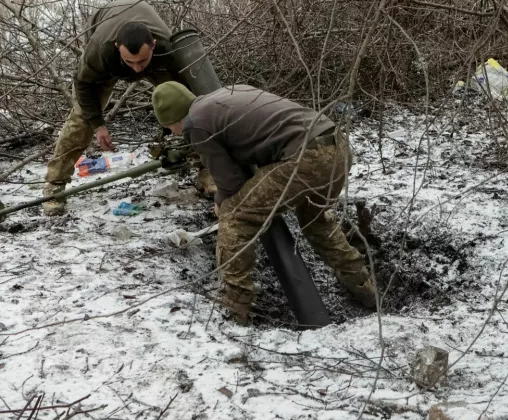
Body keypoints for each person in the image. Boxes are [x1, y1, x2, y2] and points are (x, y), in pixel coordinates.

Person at [151, 81, 376, 323]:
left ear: (171, 120)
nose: (174, 134)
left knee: (235, 215)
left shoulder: (195, 124)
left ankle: (236, 307)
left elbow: (229, 181)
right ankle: (366, 290)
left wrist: (221, 201)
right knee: (316, 223)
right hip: (337, 148)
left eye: (170, 129)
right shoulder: (227, 93)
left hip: (305, 159)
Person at [43, 0, 195, 215]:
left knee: (186, 106)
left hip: (157, 60)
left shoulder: (167, 48)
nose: (136, 69)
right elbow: (83, 83)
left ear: (152, 45)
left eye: (141, 62)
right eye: (130, 62)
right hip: (106, 33)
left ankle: (205, 167)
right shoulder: (101, 50)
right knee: (82, 119)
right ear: (117, 48)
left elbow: (192, 98)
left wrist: (171, 126)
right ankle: (54, 186)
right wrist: (98, 125)